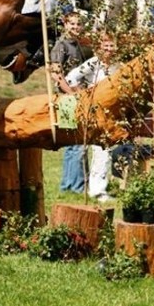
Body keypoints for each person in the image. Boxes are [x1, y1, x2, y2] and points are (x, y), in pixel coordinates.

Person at [66, 33, 120, 202]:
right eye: (106, 46)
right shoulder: (93, 63)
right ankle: (95, 190)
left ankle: (98, 187)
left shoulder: (117, 66)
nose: (109, 50)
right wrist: (83, 96)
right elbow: (71, 78)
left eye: (112, 46)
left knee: (105, 150)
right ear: (99, 48)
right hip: (94, 110)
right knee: (98, 148)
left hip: (110, 111)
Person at [52, 12, 91, 194]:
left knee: (73, 144)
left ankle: (68, 185)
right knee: (76, 143)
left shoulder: (80, 45)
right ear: (65, 25)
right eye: (72, 24)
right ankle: (77, 186)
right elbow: (56, 74)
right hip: (67, 99)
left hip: (79, 95)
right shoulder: (61, 46)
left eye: (78, 24)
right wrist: (71, 93)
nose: (76, 27)